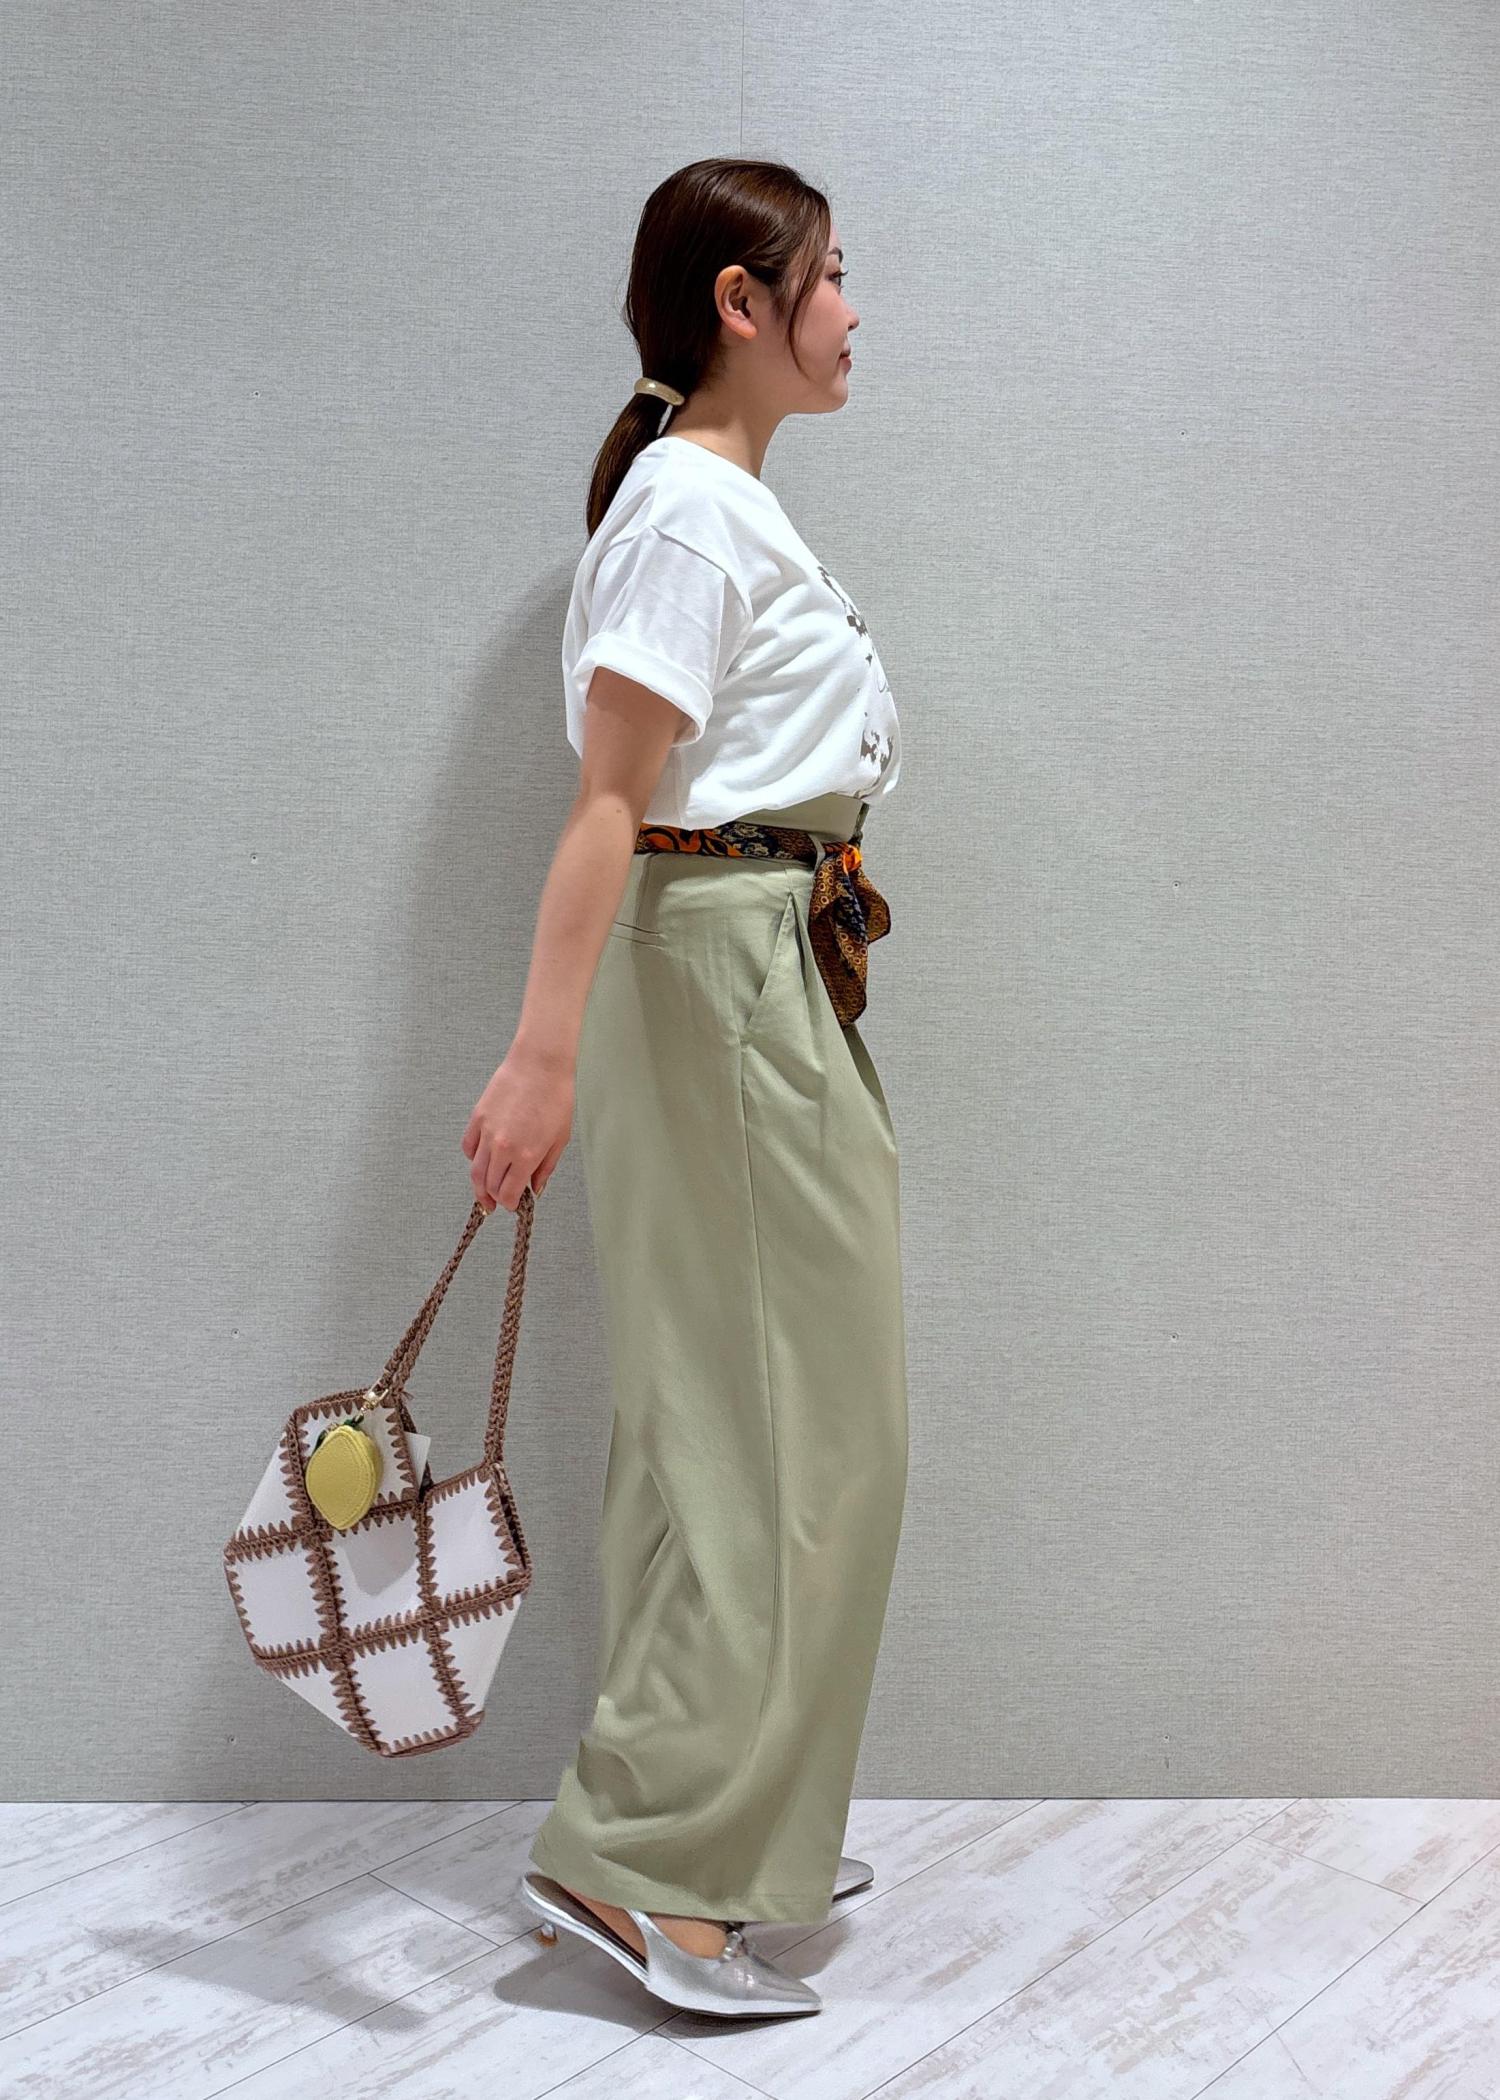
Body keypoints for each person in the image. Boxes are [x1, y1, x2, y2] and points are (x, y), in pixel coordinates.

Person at [460, 156, 907, 2020]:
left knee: (736, 1423)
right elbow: (608, 808)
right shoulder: (688, 515)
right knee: (783, 1430)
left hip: (758, 955)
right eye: (831, 274)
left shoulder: (712, 504)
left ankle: (720, 1823)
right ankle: (657, 1866)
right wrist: (539, 1054)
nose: (855, 310)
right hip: (720, 968)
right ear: (743, 302)